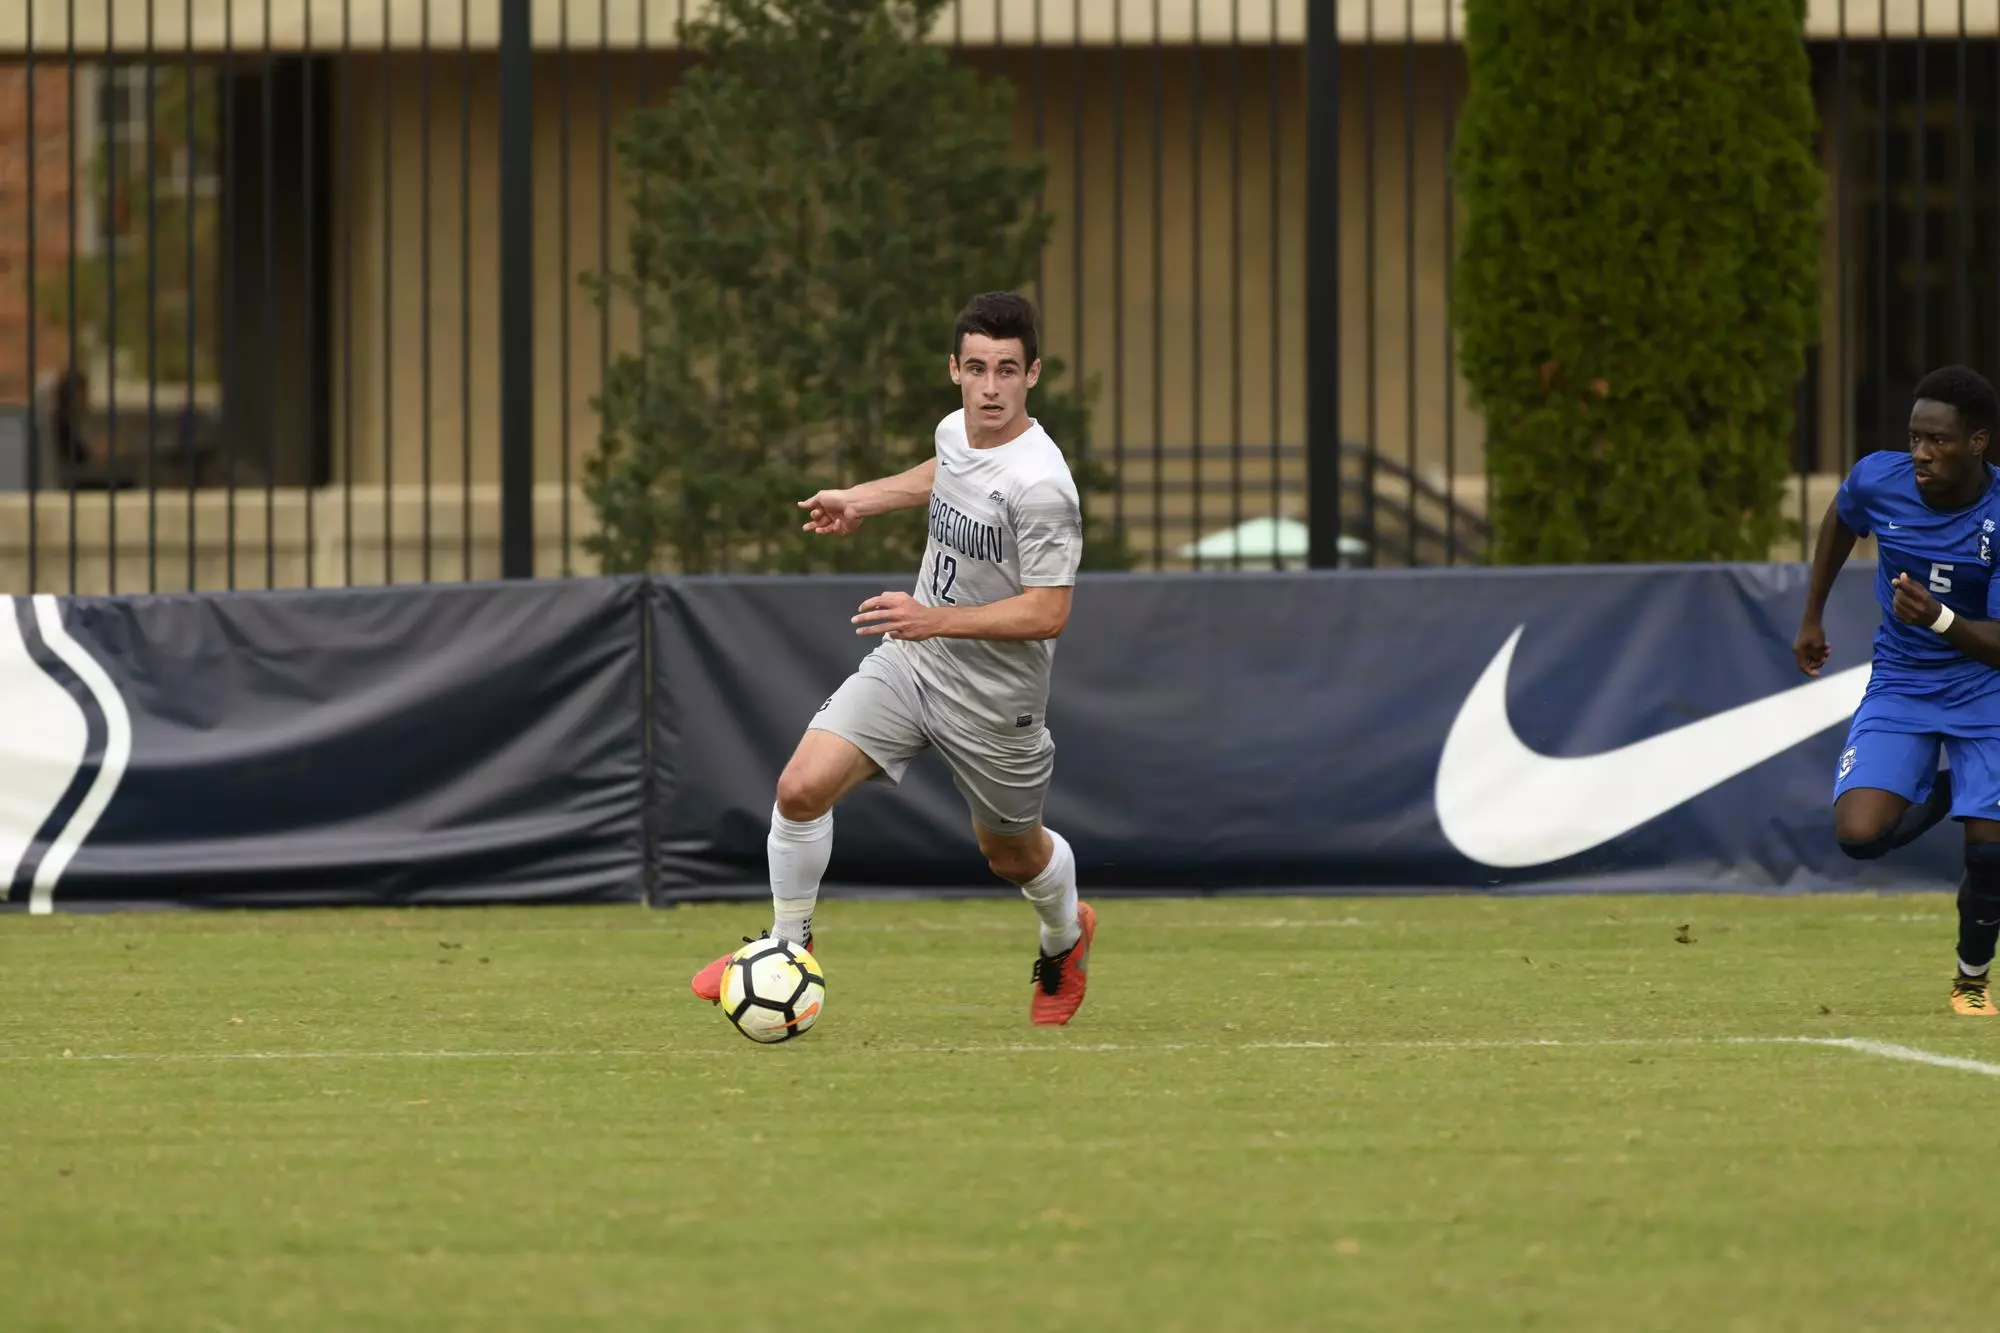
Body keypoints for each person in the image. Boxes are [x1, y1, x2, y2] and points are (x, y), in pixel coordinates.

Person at [689, 292, 1097, 1026]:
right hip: (913, 663)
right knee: (800, 788)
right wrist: (862, 499)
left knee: (1011, 855)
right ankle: (787, 946)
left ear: (1033, 374)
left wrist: (932, 616)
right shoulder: (955, 430)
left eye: (1007, 370)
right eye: (977, 368)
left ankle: (1066, 936)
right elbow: (946, 471)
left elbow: (1049, 611)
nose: (991, 387)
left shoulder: (1043, 486)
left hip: (995, 703)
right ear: (955, 370)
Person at [1795, 364, 2000, 1015]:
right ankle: (1951, 791)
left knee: (1992, 856)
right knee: (1859, 836)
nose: (1921, 452)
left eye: (1938, 439)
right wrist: (1812, 615)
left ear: (1977, 442)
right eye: (1915, 437)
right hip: (1902, 682)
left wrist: (1938, 618)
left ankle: (1971, 981)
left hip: (1985, 686)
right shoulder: (1877, 479)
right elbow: (1841, 517)